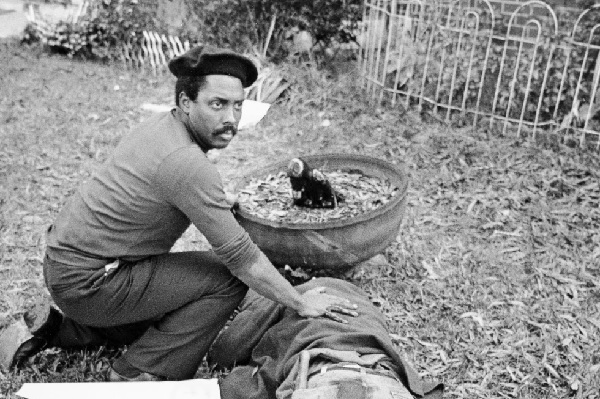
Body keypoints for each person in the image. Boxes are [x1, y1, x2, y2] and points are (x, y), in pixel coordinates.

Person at [0, 45, 358, 381]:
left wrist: (216, 200)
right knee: (226, 280)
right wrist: (299, 301)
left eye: (237, 105)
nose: (230, 118)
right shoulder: (186, 163)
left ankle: (57, 327)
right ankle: (140, 371)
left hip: (69, 267)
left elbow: (167, 188)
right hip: (90, 283)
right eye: (217, 104)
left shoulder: (160, 129)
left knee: (177, 299)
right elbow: (240, 257)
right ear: (186, 102)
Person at [208, 277, 444, 399]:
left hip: (325, 369)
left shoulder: (280, 301)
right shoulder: (355, 300)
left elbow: (224, 353)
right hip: (374, 365)